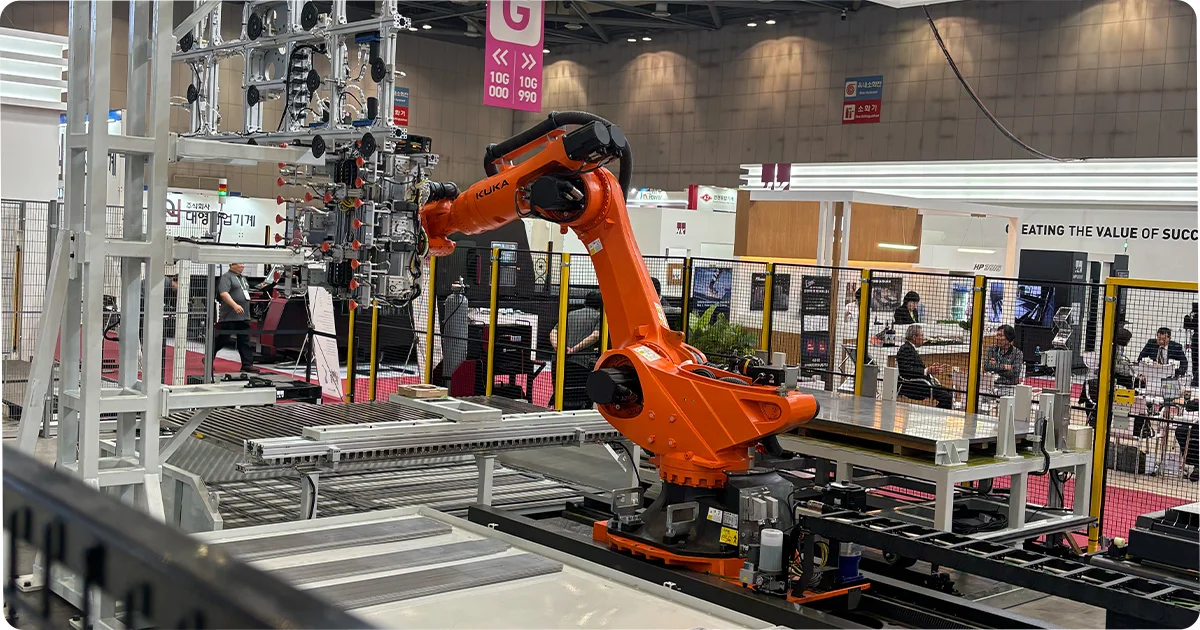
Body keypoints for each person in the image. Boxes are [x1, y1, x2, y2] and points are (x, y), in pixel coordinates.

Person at [896, 324, 953, 409]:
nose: (923, 338)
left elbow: (915, 368)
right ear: (914, 337)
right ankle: (936, 415)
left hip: (921, 383)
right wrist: (927, 371)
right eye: (922, 335)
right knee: (948, 398)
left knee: (951, 393)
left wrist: (931, 369)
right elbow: (906, 371)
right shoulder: (906, 349)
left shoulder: (910, 348)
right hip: (913, 386)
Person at [214, 263, 256, 373]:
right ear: (231, 265)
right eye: (240, 263)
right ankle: (209, 357)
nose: (243, 266)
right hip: (230, 316)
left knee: (244, 341)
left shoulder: (242, 278)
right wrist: (235, 305)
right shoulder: (226, 277)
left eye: (243, 263)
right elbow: (224, 293)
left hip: (244, 316)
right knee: (222, 339)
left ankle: (247, 364)